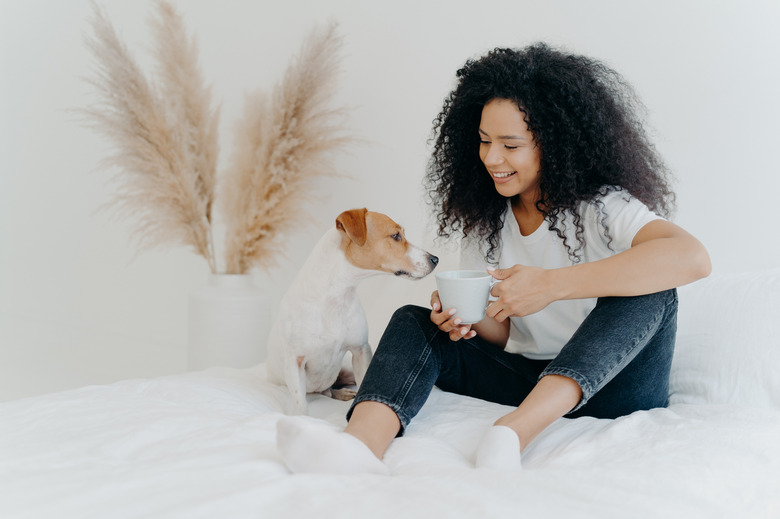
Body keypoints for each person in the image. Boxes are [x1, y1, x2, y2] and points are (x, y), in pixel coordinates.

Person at [276, 42, 711, 475]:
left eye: (510, 145)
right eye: (484, 141)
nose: (491, 158)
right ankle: (358, 448)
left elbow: (691, 257)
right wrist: (464, 318)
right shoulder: (485, 220)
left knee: (651, 291)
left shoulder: (604, 206)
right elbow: (501, 333)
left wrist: (552, 285)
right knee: (415, 321)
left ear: (554, 144)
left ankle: (512, 433)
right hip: (526, 378)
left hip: (618, 388)